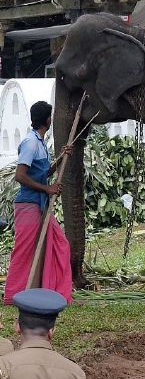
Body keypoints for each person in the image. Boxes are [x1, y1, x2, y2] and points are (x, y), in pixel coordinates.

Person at [4, 101, 72, 305]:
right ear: (47, 119)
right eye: (50, 116)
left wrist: (61, 158)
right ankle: (13, 295)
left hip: (40, 206)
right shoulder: (30, 142)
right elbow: (20, 176)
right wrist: (47, 189)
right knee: (24, 250)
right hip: (28, 205)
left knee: (59, 243)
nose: (52, 119)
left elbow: (44, 173)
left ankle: (55, 292)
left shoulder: (40, 142)